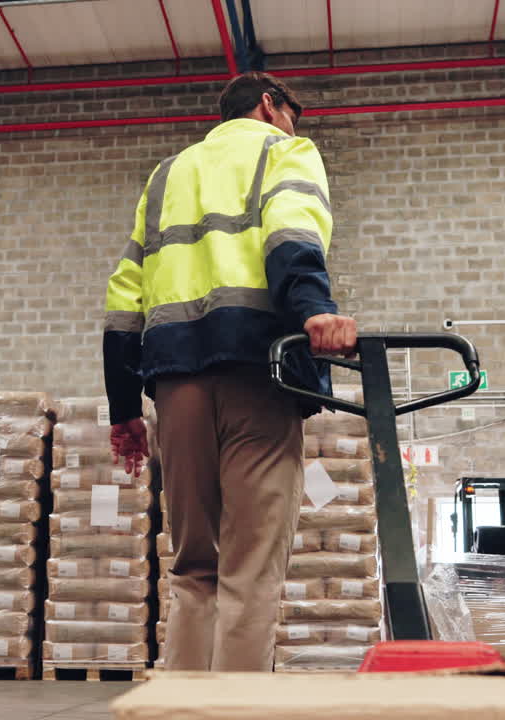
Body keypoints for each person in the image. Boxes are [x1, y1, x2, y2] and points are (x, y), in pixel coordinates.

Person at [101, 72, 356, 672]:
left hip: (176, 385)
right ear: (269, 105)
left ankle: (188, 706)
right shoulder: (283, 151)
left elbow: (125, 294)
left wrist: (124, 408)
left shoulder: (168, 175)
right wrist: (314, 311)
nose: (293, 126)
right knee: (251, 570)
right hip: (259, 376)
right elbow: (291, 232)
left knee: (194, 568)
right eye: (292, 114)